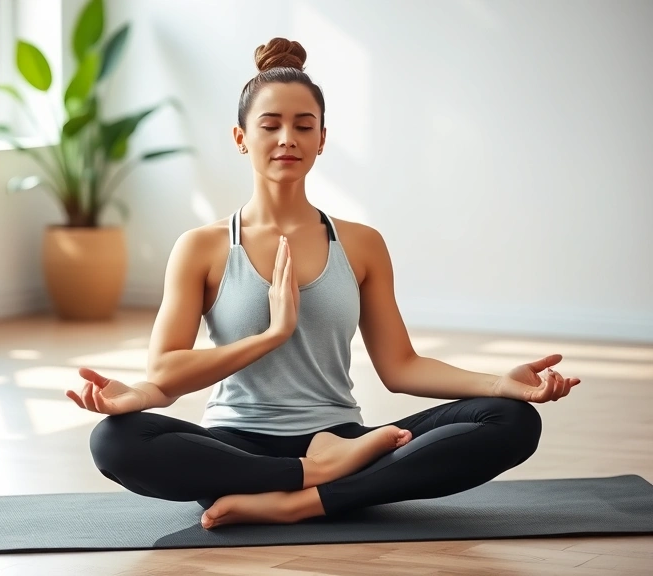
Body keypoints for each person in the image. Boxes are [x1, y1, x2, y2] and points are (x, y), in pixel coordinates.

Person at [66, 37, 581, 530]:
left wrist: (499, 384)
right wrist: (270, 334)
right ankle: (316, 481)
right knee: (114, 441)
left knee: (511, 420)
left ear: (322, 139)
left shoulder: (361, 244)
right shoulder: (201, 247)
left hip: (341, 437)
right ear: (241, 138)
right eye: (270, 125)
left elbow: (400, 367)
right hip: (236, 451)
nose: (287, 138)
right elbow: (166, 372)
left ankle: (300, 503)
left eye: (303, 125)